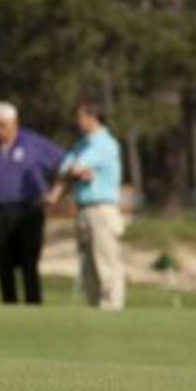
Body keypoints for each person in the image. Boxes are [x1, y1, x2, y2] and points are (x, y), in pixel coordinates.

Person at [0, 103, 64, 305]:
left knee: (28, 263)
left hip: (29, 210)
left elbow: (64, 164)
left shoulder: (34, 143)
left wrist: (53, 194)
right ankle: (9, 308)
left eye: (2, 126)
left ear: (14, 123)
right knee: (3, 264)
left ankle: (33, 308)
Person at [52, 102, 128, 310]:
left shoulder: (105, 143)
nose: (77, 121)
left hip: (102, 208)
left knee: (106, 260)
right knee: (88, 264)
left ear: (93, 118)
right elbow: (64, 168)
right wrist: (77, 172)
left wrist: (78, 172)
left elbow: (76, 168)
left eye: (81, 116)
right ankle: (95, 306)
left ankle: (111, 306)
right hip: (84, 208)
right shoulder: (81, 145)